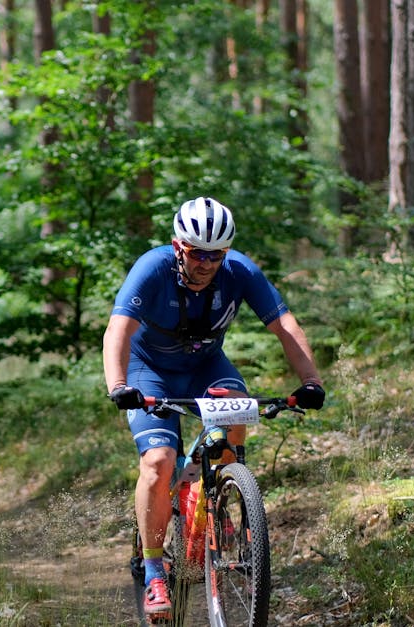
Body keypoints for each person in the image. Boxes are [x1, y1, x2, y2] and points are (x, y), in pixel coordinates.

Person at [102, 196, 326, 617]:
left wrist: (311, 381)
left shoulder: (239, 271)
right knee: (158, 461)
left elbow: (284, 325)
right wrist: (118, 385)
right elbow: (118, 330)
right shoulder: (152, 268)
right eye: (197, 253)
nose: (206, 263)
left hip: (206, 366)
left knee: (238, 411)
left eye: (216, 255)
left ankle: (218, 492)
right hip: (148, 371)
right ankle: (154, 572)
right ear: (178, 246)